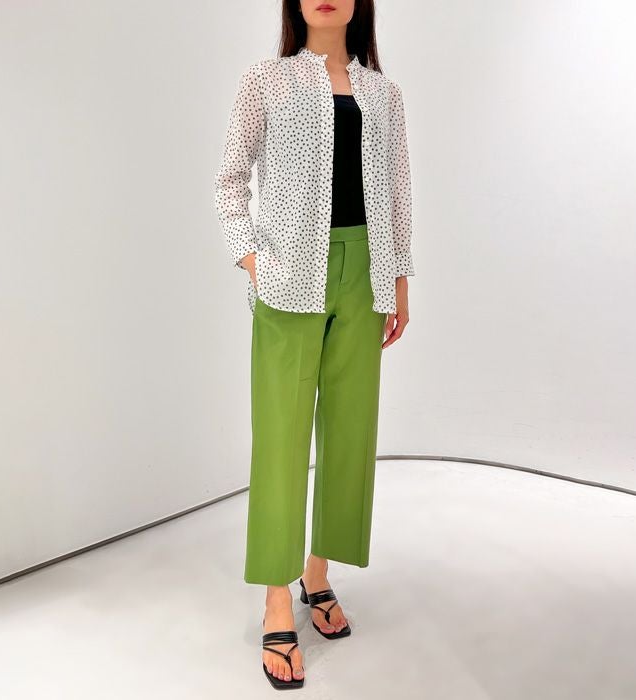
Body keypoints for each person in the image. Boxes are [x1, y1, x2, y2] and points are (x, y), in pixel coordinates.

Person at [213, 0, 415, 689]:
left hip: (365, 275)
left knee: (350, 432)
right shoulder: (265, 80)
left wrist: (398, 280)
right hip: (287, 276)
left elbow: (398, 192)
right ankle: (277, 597)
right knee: (281, 438)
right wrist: (252, 260)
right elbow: (229, 178)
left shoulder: (384, 93)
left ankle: (318, 573)